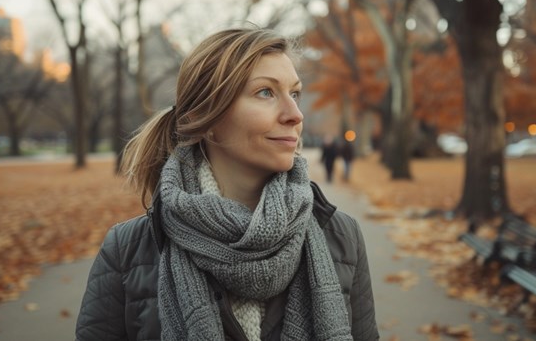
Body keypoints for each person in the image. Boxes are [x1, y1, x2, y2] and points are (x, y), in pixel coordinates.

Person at [75, 28, 378, 341]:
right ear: (206, 118)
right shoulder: (127, 250)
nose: (295, 114)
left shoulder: (343, 238)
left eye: (295, 93)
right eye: (266, 92)